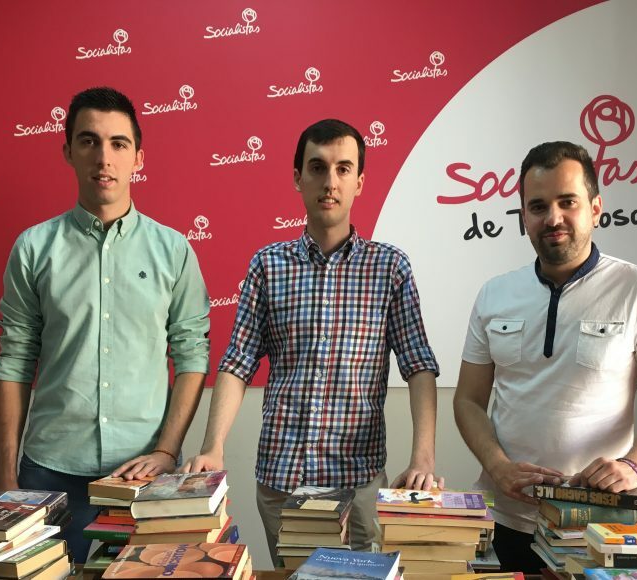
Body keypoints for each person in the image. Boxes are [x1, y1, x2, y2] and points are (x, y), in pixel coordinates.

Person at [182, 119, 442, 563]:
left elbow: (418, 366)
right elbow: (237, 364)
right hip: (282, 479)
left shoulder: (390, 268)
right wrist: (213, 446)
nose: (330, 182)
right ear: (298, 178)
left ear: (360, 182)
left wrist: (423, 459)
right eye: (318, 167)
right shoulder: (268, 265)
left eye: (343, 169)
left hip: (358, 483)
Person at [0, 87, 211, 564]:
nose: (104, 157)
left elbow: (192, 355)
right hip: (48, 470)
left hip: (143, 474)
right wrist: (5, 475)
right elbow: (14, 360)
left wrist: (168, 450)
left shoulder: (174, 250)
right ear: (68, 151)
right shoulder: (33, 248)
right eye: (89, 141)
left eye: (118, 143)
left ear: (138, 157)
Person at [453, 141, 637, 573]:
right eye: (538, 206)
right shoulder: (494, 293)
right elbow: (468, 399)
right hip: (505, 518)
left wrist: (634, 466)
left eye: (568, 202)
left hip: (596, 523)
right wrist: (498, 466)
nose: (553, 218)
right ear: (523, 216)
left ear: (595, 208)